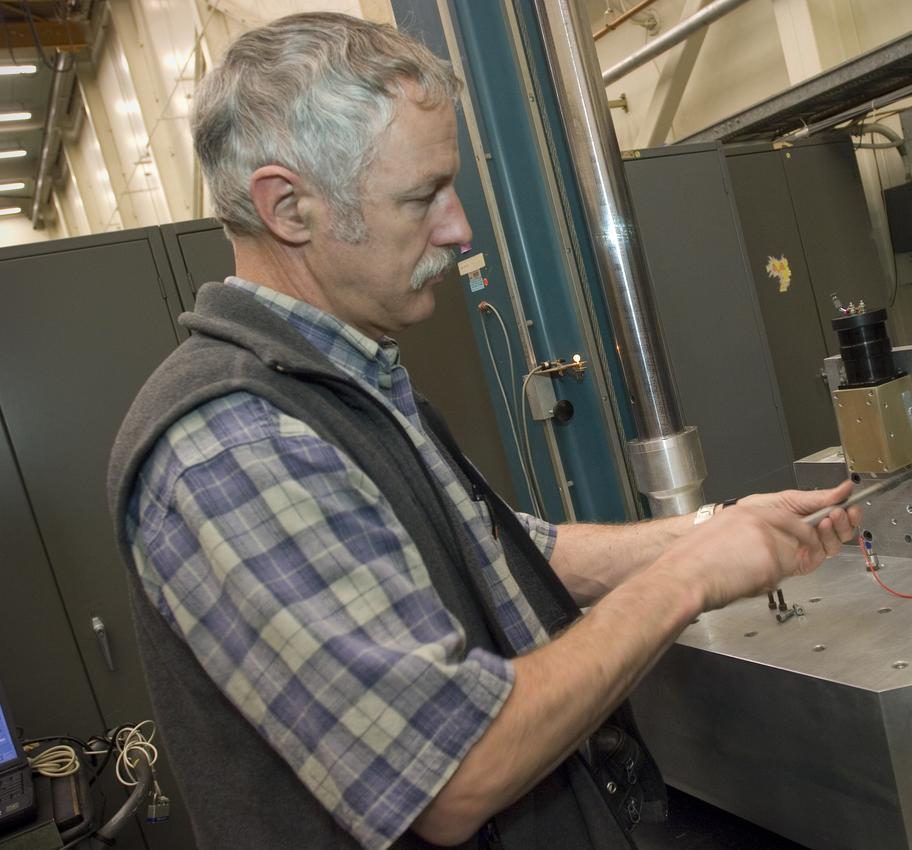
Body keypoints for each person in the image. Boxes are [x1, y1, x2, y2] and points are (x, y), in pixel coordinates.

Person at [106, 12, 859, 850]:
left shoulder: (349, 378)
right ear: (289, 207)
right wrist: (686, 578)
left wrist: (717, 528)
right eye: (423, 196)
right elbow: (452, 773)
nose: (461, 230)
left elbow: (503, 549)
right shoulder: (237, 443)